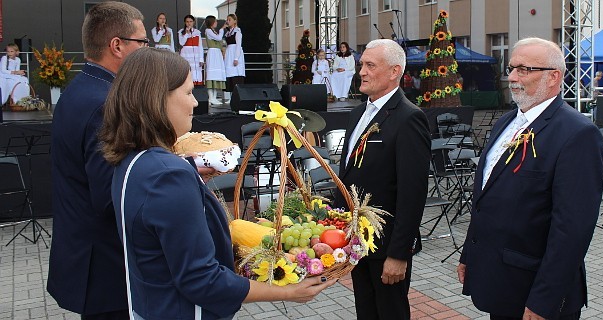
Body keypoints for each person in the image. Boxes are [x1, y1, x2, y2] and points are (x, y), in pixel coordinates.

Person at [97, 47, 335, 320]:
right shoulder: (170, 176)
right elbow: (202, 280)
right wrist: (288, 292)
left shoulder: (132, 161)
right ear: (157, 99)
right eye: (187, 93)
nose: (195, 103)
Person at [457, 37, 603, 320]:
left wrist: (544, 300)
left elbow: (572, 230)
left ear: (553, 77)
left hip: (535, 290)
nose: (511, 77)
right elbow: (485, 198)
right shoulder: (506, 122)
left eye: (524, 69)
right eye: (511, 68)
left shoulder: (577, 134)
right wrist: (469, 255)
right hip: (499, 281)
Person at [47, 3, 147, 318]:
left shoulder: (81, 89)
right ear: (117, 45)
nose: (146, 51)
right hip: (104, 266)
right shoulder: (105, 104)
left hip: (86, 256)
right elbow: (110, 195)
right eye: (142, 43)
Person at [336, 39, 431, 319]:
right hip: (357, 241)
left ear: (394, 71)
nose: (362, 72)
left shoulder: (409, 118)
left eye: (370, 65)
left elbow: (413, 193)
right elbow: (351, 173)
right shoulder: (357, 114)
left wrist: (399, 253)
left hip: (386, 246)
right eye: (361, 65)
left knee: (390, 313)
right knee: (365, 310)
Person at [204, 15, 226, 105]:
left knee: (216, 75)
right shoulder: (208, 30)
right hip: (213, 53)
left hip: (217, 54)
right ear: (212, 22)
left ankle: (214, 97)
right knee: (211, 75)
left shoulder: (214, 31)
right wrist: (222, 29)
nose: (216, 23)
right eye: (215, 21)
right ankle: (211, 97)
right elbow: (219, 38)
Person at [223, 13, 245, 104]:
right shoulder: (228, 32)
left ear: (235, 21)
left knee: (236, 75)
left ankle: (237, 96)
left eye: (230, 20)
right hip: (229, 53)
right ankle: (230, 96)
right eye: (227, 20)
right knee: (229, 74)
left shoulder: (237, 32)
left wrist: (236, 58)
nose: (228, 21)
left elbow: (238, 46)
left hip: (235, 53)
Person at [179, 14, 204, 86]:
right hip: (186, 54)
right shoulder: (181, 32)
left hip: (195, 55)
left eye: (190, 21)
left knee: (195, 72)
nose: (189, 23)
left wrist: (201, 59)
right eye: (187, 21)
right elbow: (181, 43)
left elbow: (200, 46)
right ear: (185, 22)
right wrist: (186, 34)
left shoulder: (197, 32)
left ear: (193, 22)